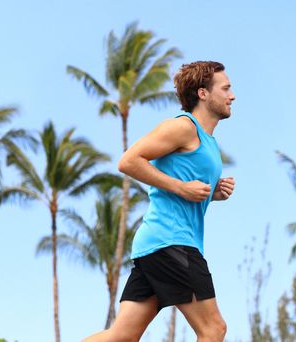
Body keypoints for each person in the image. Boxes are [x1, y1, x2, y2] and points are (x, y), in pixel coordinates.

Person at [83, 61, 236, 342]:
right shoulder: (183, 128)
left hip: (156, 245)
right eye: (225, 88)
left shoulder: (208, 142)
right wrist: (183, 188)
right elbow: (128, 161)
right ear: (203, 93)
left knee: (121, 337)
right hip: (172, 242)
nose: (232, 95)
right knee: (214, 330)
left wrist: (212, 194)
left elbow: (184, 186)